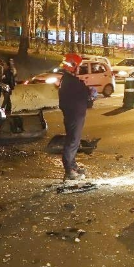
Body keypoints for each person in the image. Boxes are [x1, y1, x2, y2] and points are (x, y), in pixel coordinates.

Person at [58, 53, 91, 181]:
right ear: (73, 66)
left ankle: (72, 166)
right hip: (74, 114)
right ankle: (69, 171)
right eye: (78, 66)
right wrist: (89, 92)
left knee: (74, 141)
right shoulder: (71, 82)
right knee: (72, 141)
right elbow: (85, 95)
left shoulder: (68, 80)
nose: (79, 68)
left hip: (73, 114)